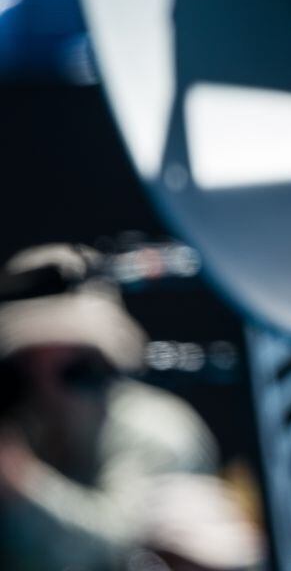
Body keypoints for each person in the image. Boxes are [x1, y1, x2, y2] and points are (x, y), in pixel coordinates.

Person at [0, 244, 220, 571]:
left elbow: (129, 550)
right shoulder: (27, 426)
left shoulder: (156, 429)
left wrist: (21, 485)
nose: (33, 367)